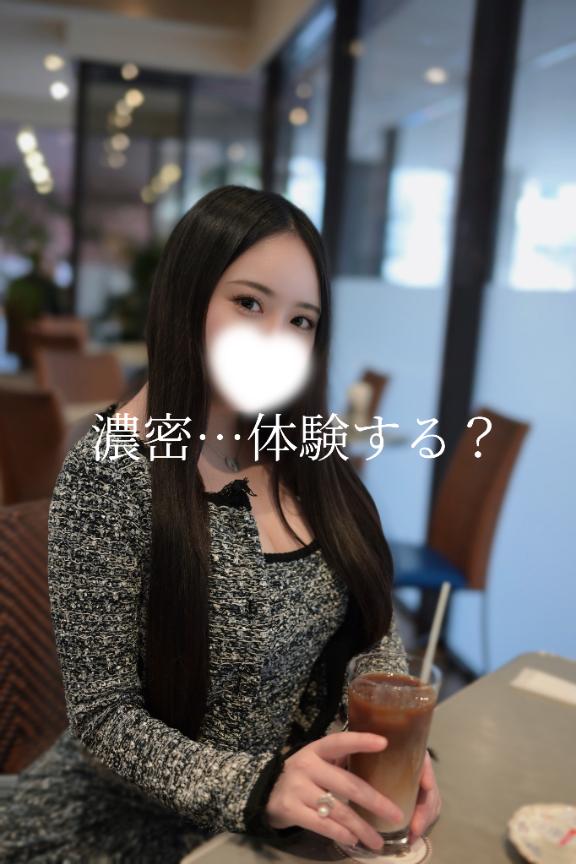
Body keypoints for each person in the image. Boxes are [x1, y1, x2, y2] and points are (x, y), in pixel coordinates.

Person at [0, 185, 441, 862]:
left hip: (289, 828)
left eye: (301, 320)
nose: (276, 340)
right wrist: (262, 788)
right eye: (249, 303)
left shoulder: (303, 451)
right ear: (188, 295)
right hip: (119, 834)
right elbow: (103, 717)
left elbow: (367, 631)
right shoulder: (109, 469)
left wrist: (393, 752)